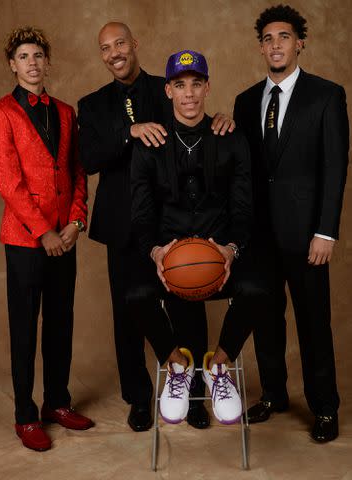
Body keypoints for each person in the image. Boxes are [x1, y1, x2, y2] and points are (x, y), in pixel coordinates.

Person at [78, 22, 234, 431]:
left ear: (134, 45)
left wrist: (220, 121)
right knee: (128, 313)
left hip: (170, 220)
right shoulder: (92, 104)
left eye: (121, 44)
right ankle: (139, 398)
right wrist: (129, 133)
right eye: (106, 48)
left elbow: (192, 122)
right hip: (120, 225)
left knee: (187, 304)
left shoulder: (165, 88)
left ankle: (196, 394)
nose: (115, 53)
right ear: (102, 55)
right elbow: (89, 158)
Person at [130, 49, 272, 425]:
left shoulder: (229, 136)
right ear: (168, 91)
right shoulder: (150, 142)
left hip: (218, 255)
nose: (189, 93)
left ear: (208, 87)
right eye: (180, 85)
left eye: (196, 84)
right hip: (171, 255)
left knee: (260, 288)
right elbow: (142, 212)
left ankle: (218, 366)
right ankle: (178, 366)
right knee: (134, 294)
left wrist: (230, 249)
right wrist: (156, 251)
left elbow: (244, 208)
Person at [233, 4, 349, 442]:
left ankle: (324, 407)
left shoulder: (326, 95)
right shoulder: (245, 102)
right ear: (261, 47)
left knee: (313, 323)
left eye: (284, 37)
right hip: (259, 237)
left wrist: (326, 230)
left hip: (307, 236)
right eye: (267, 38)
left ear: (300, 42)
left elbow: (335, 167)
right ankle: (274, 394)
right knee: (266, 319)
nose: (275, 45)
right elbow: (243, 170)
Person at [0, 26, 93, 452]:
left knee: (61, 322)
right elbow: (8, 183)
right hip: (26, 240)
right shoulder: (0, 113)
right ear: (13, 65)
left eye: (38, 56)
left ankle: (57, 402)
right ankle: (25, 415)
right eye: (24, 57)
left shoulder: (66, 112)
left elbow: (77, 173)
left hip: (64, 237)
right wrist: (44, 231)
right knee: (24, 328)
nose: (32, 63)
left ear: (47, 62)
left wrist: (75, 224)